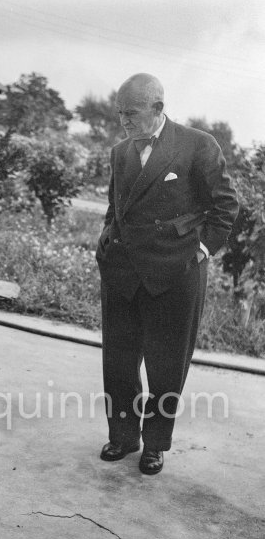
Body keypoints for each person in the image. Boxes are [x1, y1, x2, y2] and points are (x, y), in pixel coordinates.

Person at [95, 73, 239, 475]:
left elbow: (225, 207)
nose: (124, 121)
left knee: (166, 364)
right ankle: (123, 436)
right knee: (119, 362)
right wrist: (105, 244)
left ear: (158, 108)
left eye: (132, 113)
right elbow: (115, 207)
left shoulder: (197, 145)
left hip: (175, 273)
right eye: (120, 112)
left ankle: (155, 444)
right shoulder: (120, 152)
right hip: (123, 272)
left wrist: (202, 252)